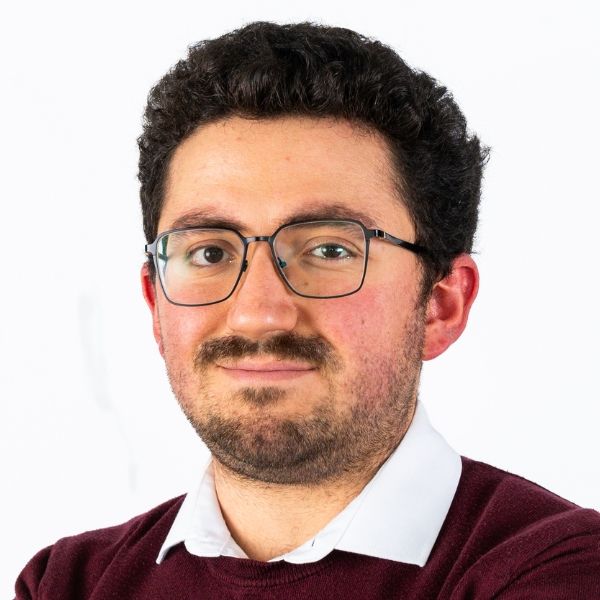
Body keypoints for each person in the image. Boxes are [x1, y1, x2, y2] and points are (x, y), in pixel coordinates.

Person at [15, 21, 600, 599]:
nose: (258, 314)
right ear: (155, 303)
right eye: (210, 252)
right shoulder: (68, 582)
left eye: (329, 250)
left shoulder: (559, 569)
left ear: (440, 306)